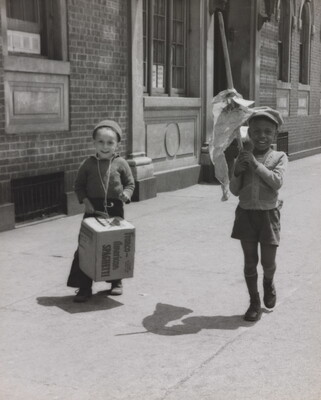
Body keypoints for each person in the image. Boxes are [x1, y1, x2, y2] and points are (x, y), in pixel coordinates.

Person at [67, 120, 135, 303]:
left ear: (117, 145)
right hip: (92, 211)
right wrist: (86, 201)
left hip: (115, 212)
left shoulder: (121, 163)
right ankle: (84, 287)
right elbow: (78, 186)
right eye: (101, 142)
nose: (105, 146)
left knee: (115, 246)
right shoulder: (88, 164)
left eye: (110, 143)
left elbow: (130, 183)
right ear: (94, 143)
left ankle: (116, 282)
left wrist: (126, 195)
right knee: (87, 248)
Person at [229, 109, 288, 321]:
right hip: (246, 214)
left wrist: (255, 164)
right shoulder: (242, 157)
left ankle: (268, 283)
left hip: (269, 216)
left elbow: (276, 182)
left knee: (268, 262)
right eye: (256, 131)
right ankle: (254, 302)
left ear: (275, 134)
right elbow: (234, 190)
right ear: (249, 133)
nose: (261, 136)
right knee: (249, 261)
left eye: (267, 132)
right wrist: (237, 170)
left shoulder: (280, 157)